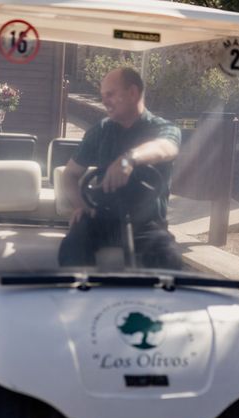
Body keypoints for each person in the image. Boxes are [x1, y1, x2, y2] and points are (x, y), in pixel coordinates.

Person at [58, 67, 183, 270]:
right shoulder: (100, 130)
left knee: (169, 260)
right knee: (73, 246)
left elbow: (166, 147)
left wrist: (129, 160)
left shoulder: (163, 129)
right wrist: (80, 205)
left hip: (147, 224)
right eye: (102, 95)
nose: (104, 101)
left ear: (132, 93)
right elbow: (70, 174)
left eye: (110, 94)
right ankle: (79, 297)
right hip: (100, 219)